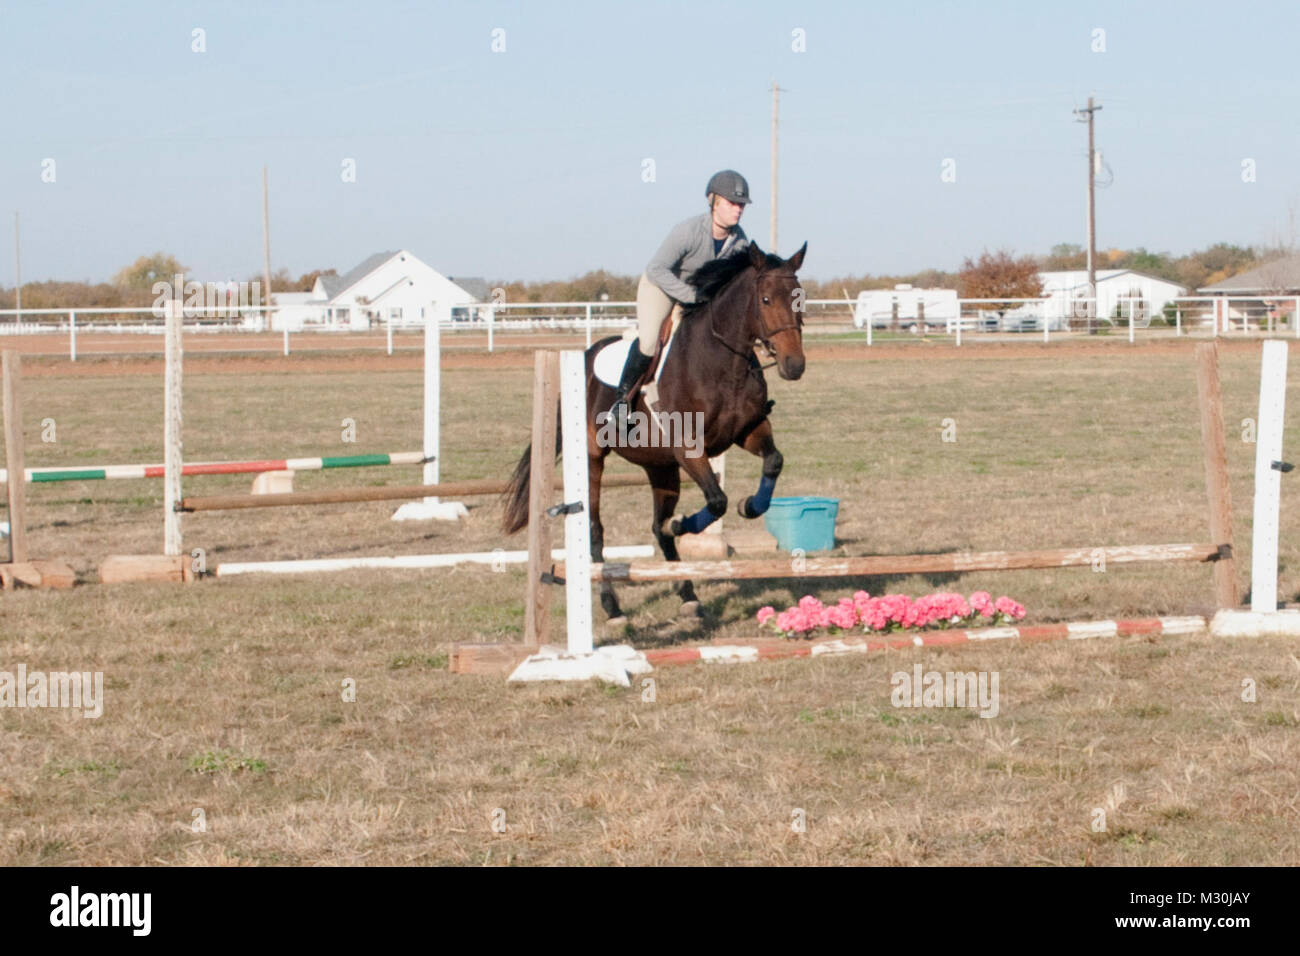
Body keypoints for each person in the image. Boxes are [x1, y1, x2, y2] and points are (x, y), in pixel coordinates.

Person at [608, 169, 752, 424]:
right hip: (661, 287)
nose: (738, 209)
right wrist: (689, 295)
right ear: (714, 202)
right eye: (732, 203)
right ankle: (621, 403)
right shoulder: (688, 231)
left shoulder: (740, 242)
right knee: (650, 342)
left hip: (696, 297)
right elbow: (656, 269)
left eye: (741, 205)